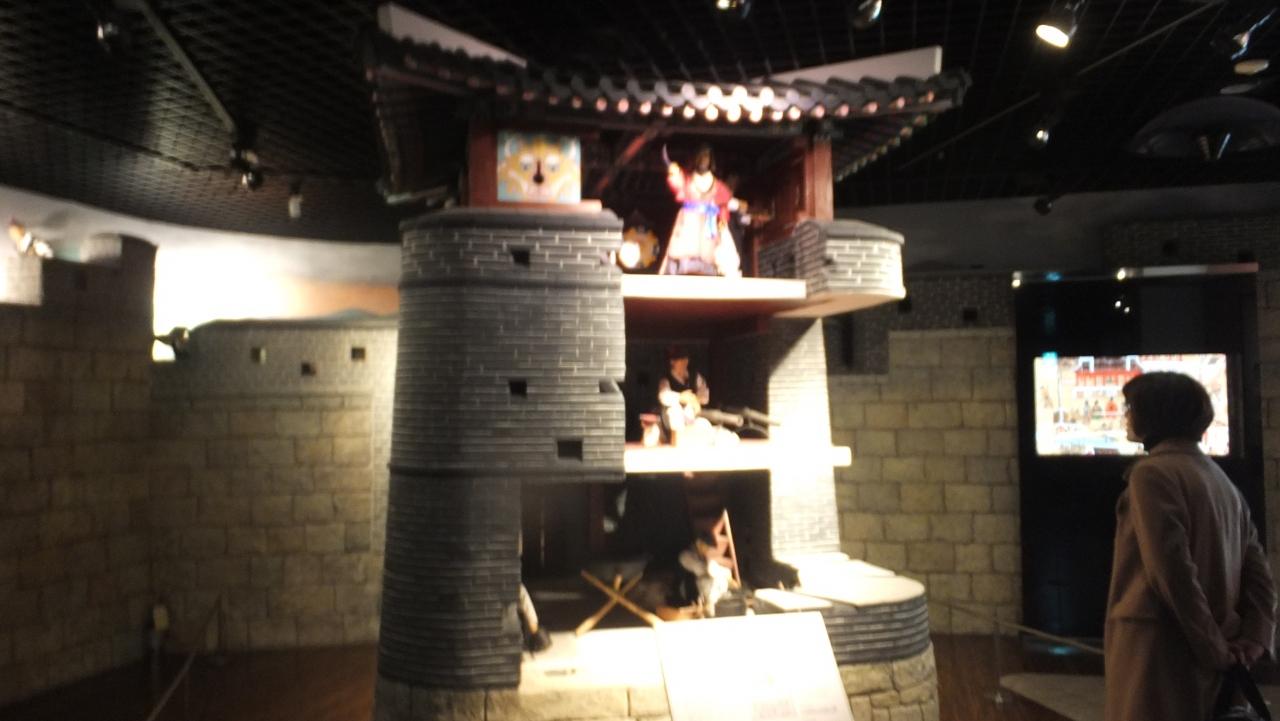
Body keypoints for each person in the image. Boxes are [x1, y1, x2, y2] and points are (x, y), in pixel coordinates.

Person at [1104, 372, 1276, 721]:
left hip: (1161, 657)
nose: (1125, 416)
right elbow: (1259, 577)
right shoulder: (1220, 480)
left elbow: (1172, 573)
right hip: (1215, 658)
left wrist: (1213, 649)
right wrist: (1255, 640)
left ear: (1154, 414)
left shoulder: (1151, 474)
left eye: (1130, 407)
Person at [659, 145, 741, 277]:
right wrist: (673, 171)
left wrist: (722, 221)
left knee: (713, 252)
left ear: (710, 160)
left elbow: (723, 205)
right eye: (700, 156)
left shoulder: (717, 185)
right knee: (684, 250)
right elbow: (677, 183)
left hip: (709, 223)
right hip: (689, 222)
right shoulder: (688, 181)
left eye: (706, 156)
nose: (703, 160)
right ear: (695, 159)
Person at [656, 345, 710, 443]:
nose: (684, 362)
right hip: (672, 421)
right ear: (672, 362)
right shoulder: (666, 378)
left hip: (692, 418)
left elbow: (704, 397)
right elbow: (663, 396)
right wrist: (681, 397)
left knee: (704, 425)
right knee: (675, 413)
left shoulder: (695, 376)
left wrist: (694, 399)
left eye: (686, 359)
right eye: (680, 360)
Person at [678, 529, 735, 618]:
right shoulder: (686, 556)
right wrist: (720, 570)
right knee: (712, 579)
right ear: (699, 544)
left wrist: (725, 574)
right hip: (690, 592)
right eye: (706, 547)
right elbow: (704, 570)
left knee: (720, 580)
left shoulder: (706, 557)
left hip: (706, 591)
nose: (708, 549)